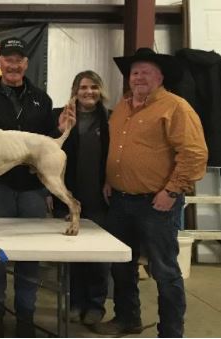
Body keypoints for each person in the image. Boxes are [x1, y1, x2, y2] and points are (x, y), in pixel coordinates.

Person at [92, 48, 208, 337]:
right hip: (120, 199)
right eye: (134, 72)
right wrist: (110, 178)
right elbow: (117, 149)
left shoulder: (175, 107)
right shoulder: (123, 106)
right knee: (122, 264)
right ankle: (127, 318)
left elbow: (194, 154)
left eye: (146, 71)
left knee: (165, 271)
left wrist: (172, 190)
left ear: (160, 76)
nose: (139, 77)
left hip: (157, 203)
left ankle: (171, 331)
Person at [0, 37, 73, 337]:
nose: (13, 64)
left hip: (32, 190)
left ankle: (25, 317)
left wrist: (59, 128)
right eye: (8, 59)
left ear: (26, 64)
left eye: (19, 59)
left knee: (29, 258)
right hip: (0, 188)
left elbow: (44, 144)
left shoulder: (41, 99)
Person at [50, 70, 110, 326]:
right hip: (68, 194)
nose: (89, 92)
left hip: (98, 196)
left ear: (100, 90)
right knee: (71, 254)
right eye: (83, 87)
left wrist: (111, 182)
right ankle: (74, 302)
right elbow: (45, 157)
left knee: (97, 255)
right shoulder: (58, 116)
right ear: (75, 91)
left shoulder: (110, 119)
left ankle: (95, 305)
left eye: (94, 87)